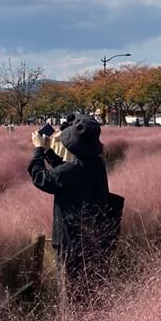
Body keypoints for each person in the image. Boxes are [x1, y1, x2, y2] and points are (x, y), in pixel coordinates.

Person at [27, 116, 110, 301]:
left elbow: (41, 177)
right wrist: (49, 152)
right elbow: (67, 173)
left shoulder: (75, 170)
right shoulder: (96, 164)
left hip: (71, 243)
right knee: (87, 291)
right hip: (92, 240)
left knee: (70, 293)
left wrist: (38, 149)